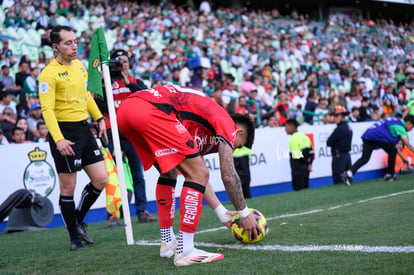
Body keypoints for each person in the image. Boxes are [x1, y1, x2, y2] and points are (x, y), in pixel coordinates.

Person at [117, 84, 259, 266]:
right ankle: (185, 250)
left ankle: (168, 243)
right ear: (238, 132)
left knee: (170, 173)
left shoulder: (199, 124)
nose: (232, 149)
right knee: (198, 173)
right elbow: (229, 175)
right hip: (151, 109)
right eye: (237, 145)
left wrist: (222, 213)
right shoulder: (227, 124)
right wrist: (244, 214)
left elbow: (196, 176)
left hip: (127, 111)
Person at [38, 25, 108, 251]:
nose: (74, 46)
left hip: (84, 130)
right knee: (68, 187)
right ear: (55, 47)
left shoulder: (79, 65)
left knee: (101, 179)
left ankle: (77, 221)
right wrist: (58, 139)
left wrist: (99, 118)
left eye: (75, 41)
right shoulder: (48, 74)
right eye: (68, 43)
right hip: (64, 133)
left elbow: (86, 95)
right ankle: (74, 237)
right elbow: (47, 110)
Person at [97, 49, 156, 224]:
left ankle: (142, 211)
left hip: (133, 134)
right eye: (117, 62)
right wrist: (103, 83)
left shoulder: (135, 82)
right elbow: (101, 107)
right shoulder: (106, 83)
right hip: (113, 133)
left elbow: (146, 98)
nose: (121, 65)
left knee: (138, 174)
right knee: (115, 176)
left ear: (129, 64)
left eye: (124, 61)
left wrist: (127, 83)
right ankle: (114, 214)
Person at [342, 115, 414, 184]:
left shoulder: (395, 121)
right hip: (378, 136)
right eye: (412, 127)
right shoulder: (400, 127)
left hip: (368, 134)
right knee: (392, 151)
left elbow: (395, 148)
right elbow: (408, 145)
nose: (411, 129)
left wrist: (403, 159)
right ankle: (389, 175)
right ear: (408, 123)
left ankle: (349, 173)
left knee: (365, 158)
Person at [285, 119, 314, 191]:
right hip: (306, 168)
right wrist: (309, 164)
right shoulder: (305, 137)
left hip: (297, 169)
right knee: (306, 190)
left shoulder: (293, 139)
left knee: (299, 192)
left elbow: (296, 156)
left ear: (291, 127)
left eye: (286, 126)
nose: (285, 129)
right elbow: (311, 153)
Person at [326, 105, 353, 184]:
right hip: (347, 157)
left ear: (342, 116)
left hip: (339, 157)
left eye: (337, 115)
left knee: (339, 181)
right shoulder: (348, 127)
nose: (334, 117)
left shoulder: (339, 129)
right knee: (348, 181)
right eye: (334, 116)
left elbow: (329, 142)